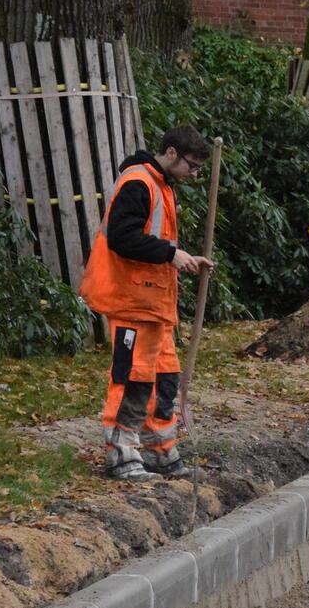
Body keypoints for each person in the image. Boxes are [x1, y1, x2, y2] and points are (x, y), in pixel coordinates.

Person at [78, 127, 216, 482]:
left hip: (154, 302)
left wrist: (183, 259)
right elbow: (124, 239)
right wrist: (172, 255)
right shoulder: (138, 183)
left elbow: (155, 241)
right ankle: (121, 455)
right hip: (131, 300)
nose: (194, 174)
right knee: (133, 377)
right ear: (171, 153)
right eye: (192, 166)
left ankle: (159, 450)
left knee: (164, 377)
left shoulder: (162, 185)